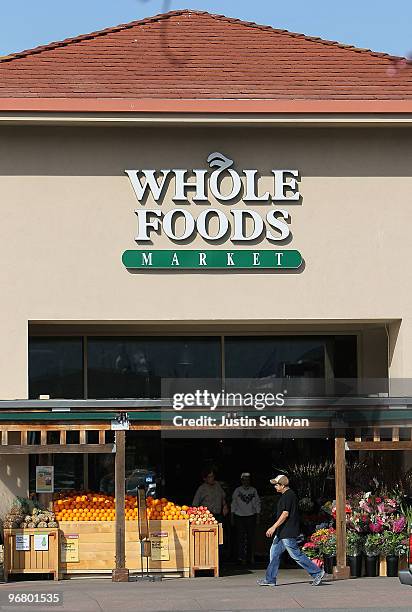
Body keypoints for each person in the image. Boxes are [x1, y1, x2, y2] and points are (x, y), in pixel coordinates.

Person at [257, 474, 325, 587]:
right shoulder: (286, 495)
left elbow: (285, 514)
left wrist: (273, 527)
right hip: (282, 532)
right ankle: (270, 579)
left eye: (276, 484)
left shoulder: (288, 496)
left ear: (283, 485)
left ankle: (317, 572)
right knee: (274, 554)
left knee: (296, 555)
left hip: (287, 532)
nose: (275, 486)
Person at [231, 472, 261, 565]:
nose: (246, 481)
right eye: (244, 479)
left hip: (251, 516)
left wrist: (258, 516)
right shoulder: (237, 490)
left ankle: (250, 557)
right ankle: (242, 558)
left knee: (251, 538)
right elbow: (233, 504)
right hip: (239, 516)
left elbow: (257, 503)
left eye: (248, 479)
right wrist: (232, 517)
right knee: (240, 538)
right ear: (242, 480)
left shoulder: (253, 490)